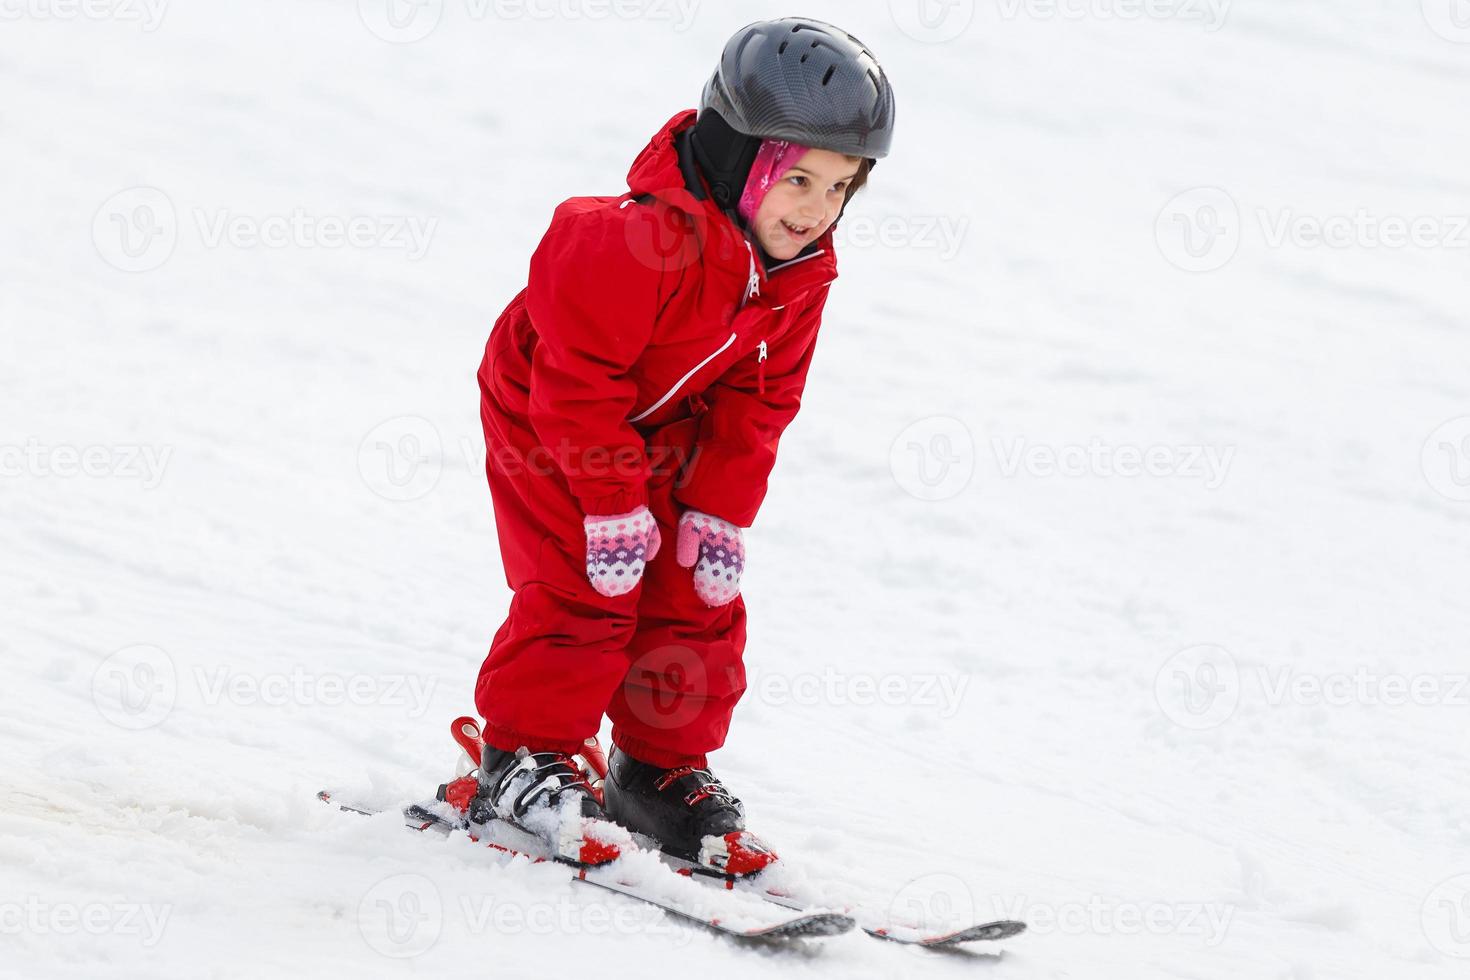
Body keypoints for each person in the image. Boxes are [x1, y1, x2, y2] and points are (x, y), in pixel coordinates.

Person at [471, 17, 897, 868]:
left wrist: (717, 514)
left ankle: (656, 769)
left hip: (671, 426)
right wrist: (609, 501)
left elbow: (763, 401)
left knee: (697, 598)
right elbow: (577, 383)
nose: (817, 211)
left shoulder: (798, 275)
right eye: (801, 179)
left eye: (841, 187)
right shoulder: (624, 240)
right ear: (740, 157)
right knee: (584, 585)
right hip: (550, 413)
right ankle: (522, 756)